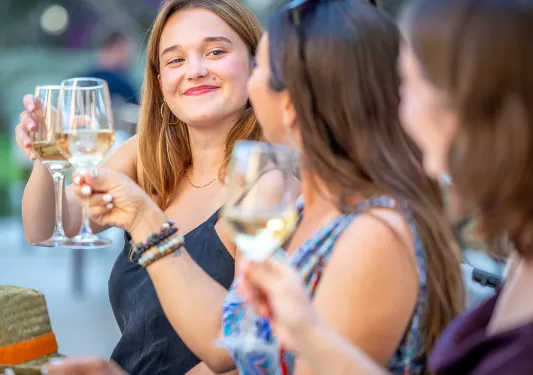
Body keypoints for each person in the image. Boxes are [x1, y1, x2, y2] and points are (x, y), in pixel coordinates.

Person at [46, 0, 462, 374]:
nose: (206, 72)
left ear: (293, 101)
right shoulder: (311, 212)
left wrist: (146, 221)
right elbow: (229, 344)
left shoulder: (371, 233)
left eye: (259, 67)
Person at [226, 0, 533, 374]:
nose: (398, 109)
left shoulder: (377, 232)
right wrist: (307, 332)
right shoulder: (522, 257)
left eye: (408, 85)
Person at [16, 0, 262, 374]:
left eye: (215, 52)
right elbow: (46, 228)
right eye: (175, 59)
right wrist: (47, 157)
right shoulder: (145, 158)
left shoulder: (267, 188)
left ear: (256, 65)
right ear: (160, 82)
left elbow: (244, 356)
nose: (195, 71)